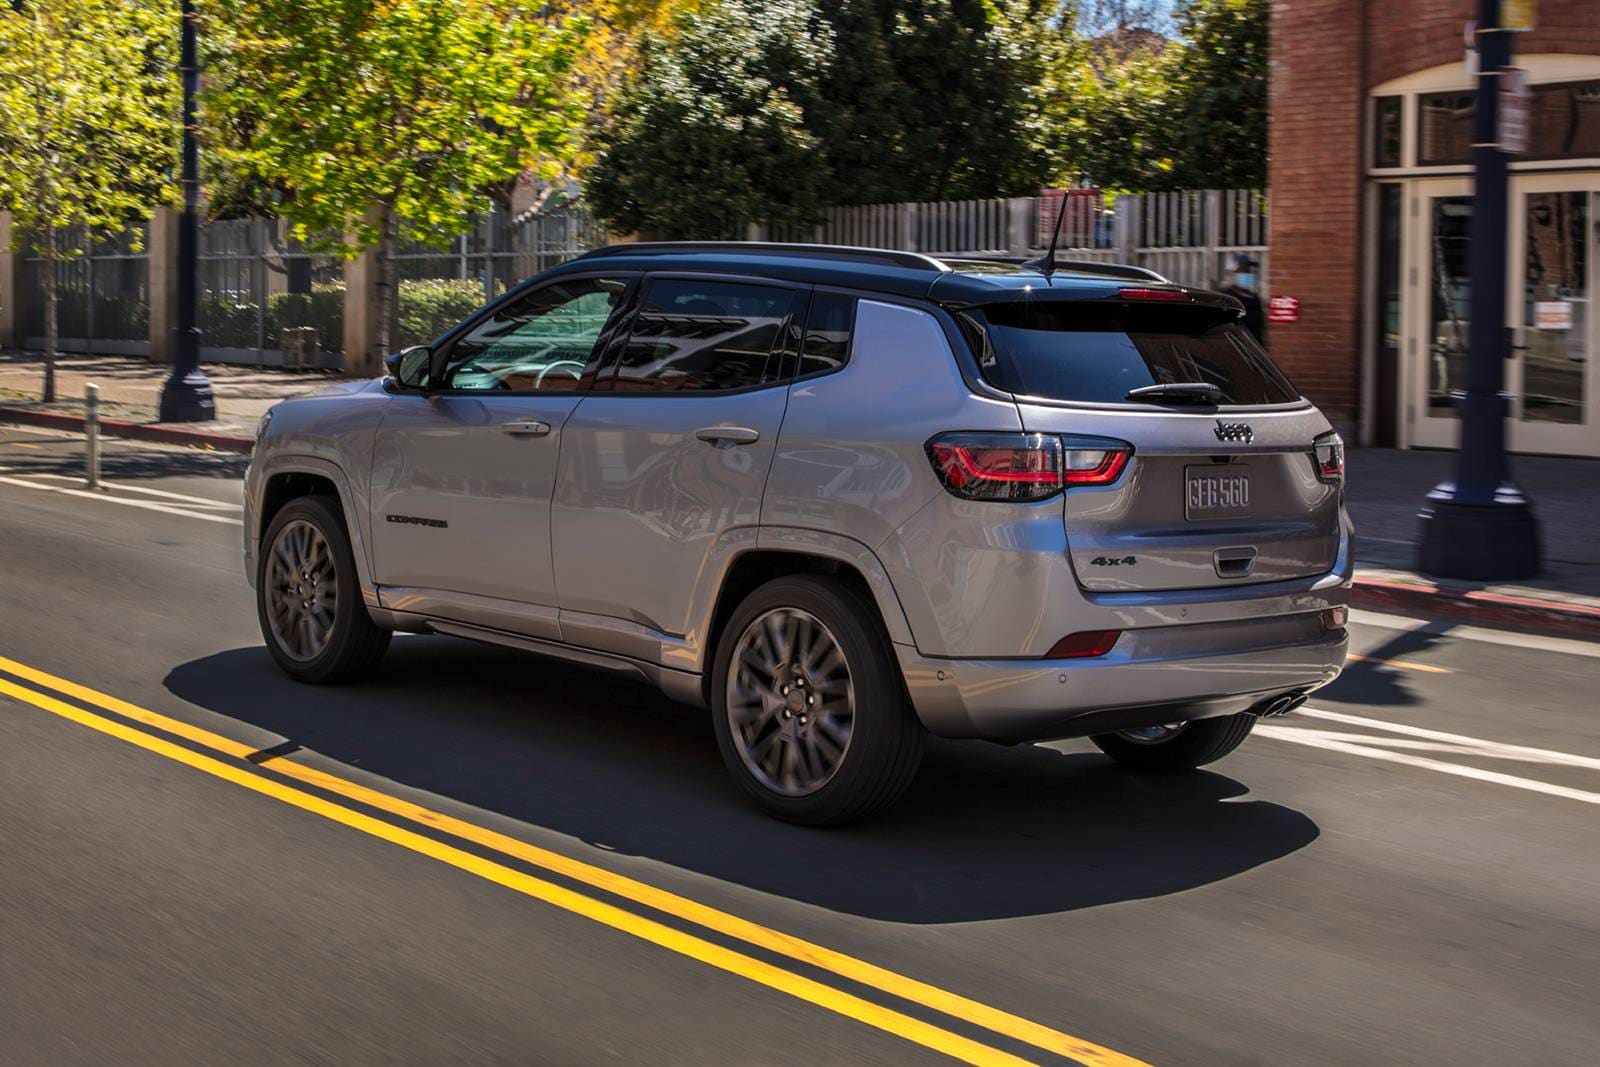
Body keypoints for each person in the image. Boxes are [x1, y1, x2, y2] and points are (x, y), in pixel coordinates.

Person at [1221, 253, 1265, 343]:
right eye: (1244, 270)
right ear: (1232, 274)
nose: (1249, 274)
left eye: (1250, 271)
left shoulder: (1254, 299)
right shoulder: (1225, 298)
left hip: (1253, 351)